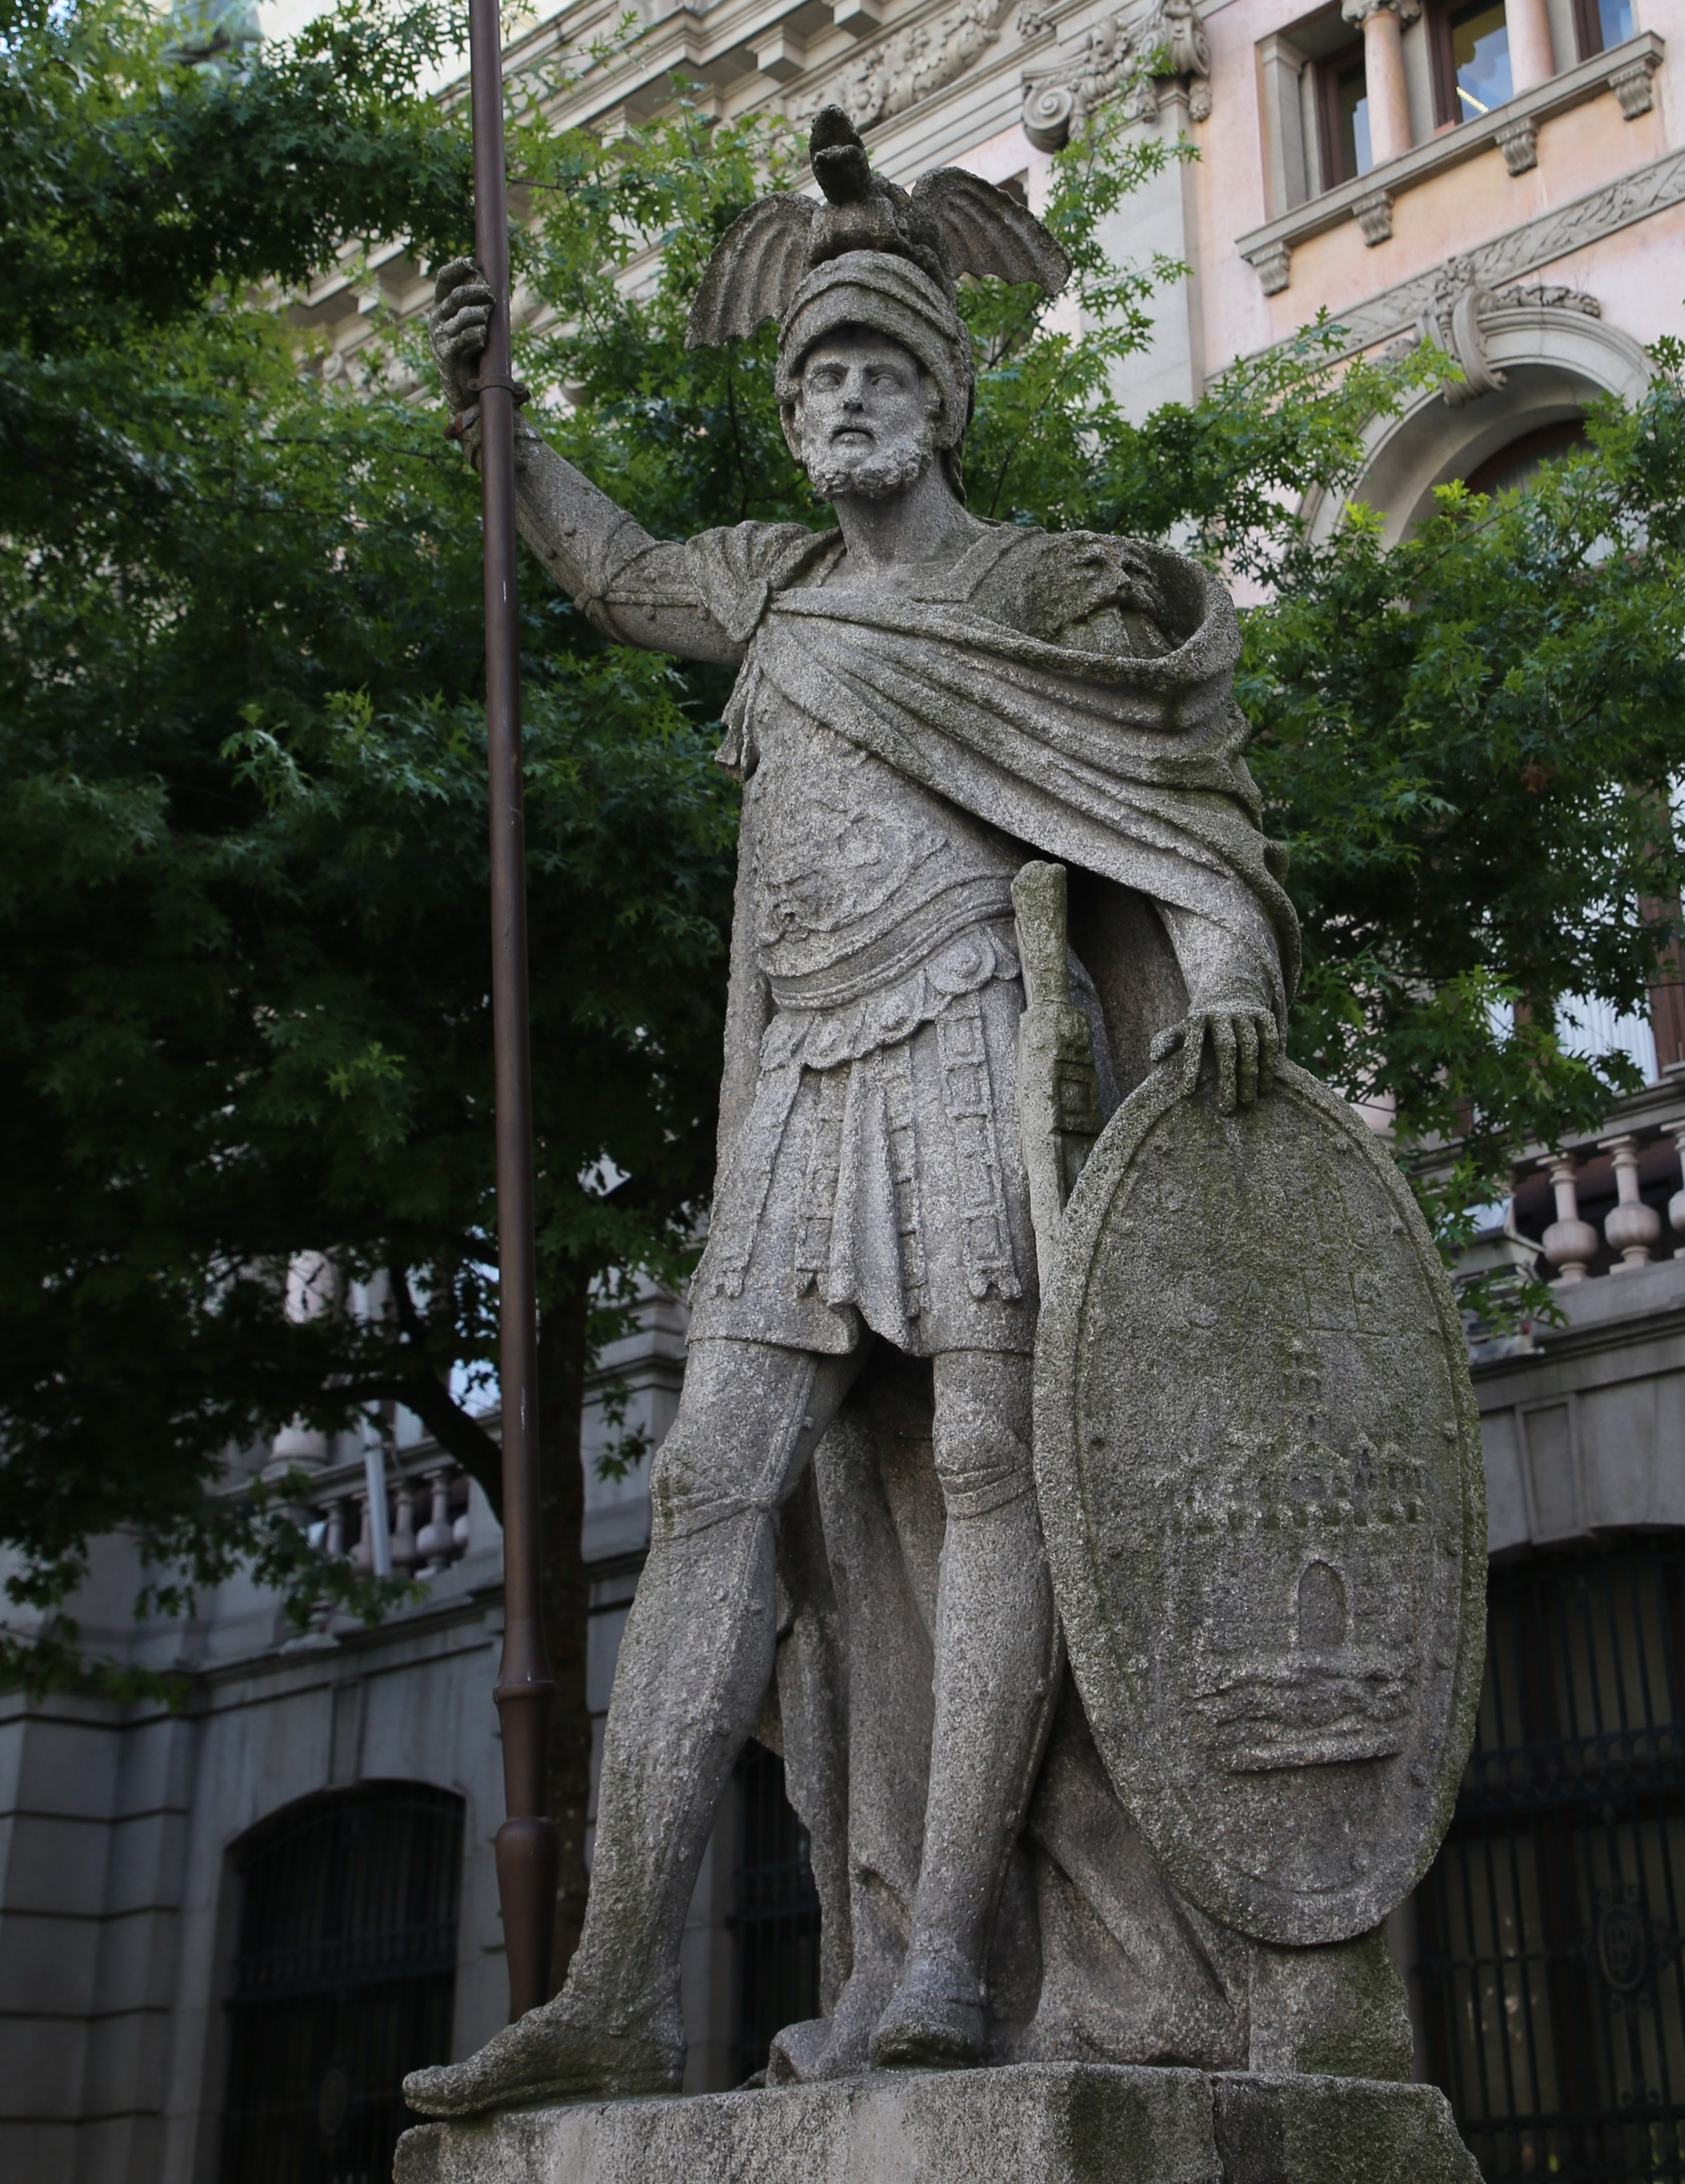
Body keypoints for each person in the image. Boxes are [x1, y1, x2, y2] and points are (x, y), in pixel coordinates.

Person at [405, 113, 1293, 2116]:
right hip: (797, 1088)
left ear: (942, 394)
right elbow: (616, 572)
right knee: (718, 1483)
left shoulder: (1040, 594)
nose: (844, 403)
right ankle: (614, 1983)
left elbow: (1175, 818)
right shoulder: (776, 587)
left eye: (879, 370)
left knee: (989, 1457)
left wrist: (1224, 977)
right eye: (815, 380)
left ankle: (953, 1959)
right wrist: (494, 413)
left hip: (973, 1052)